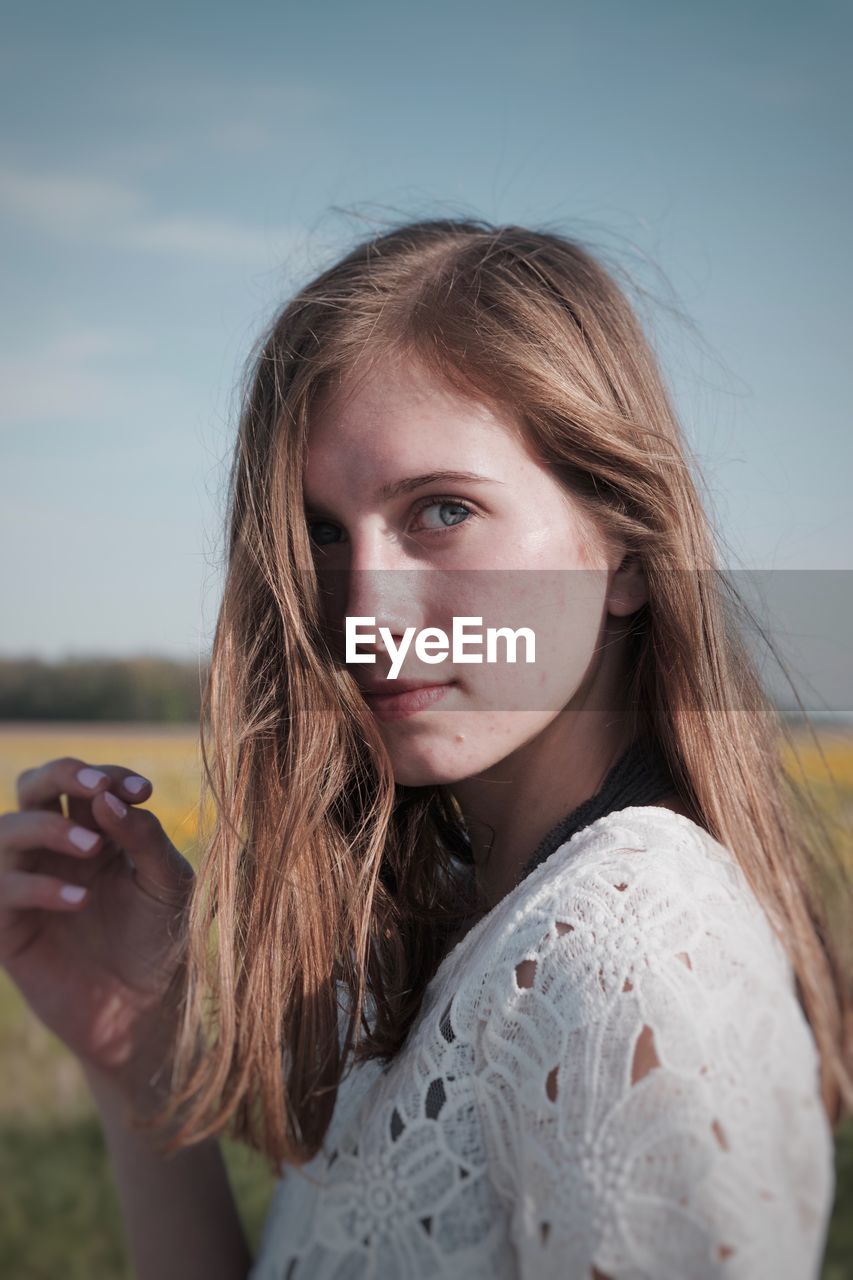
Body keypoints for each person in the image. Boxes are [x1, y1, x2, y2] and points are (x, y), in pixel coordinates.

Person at [2, 217, 850, 1280]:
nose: (365, 607)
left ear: (624, 555)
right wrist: (137, 1061)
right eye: (320, 531)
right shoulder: (453, 909)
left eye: (441, 510)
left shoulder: (624, 959)